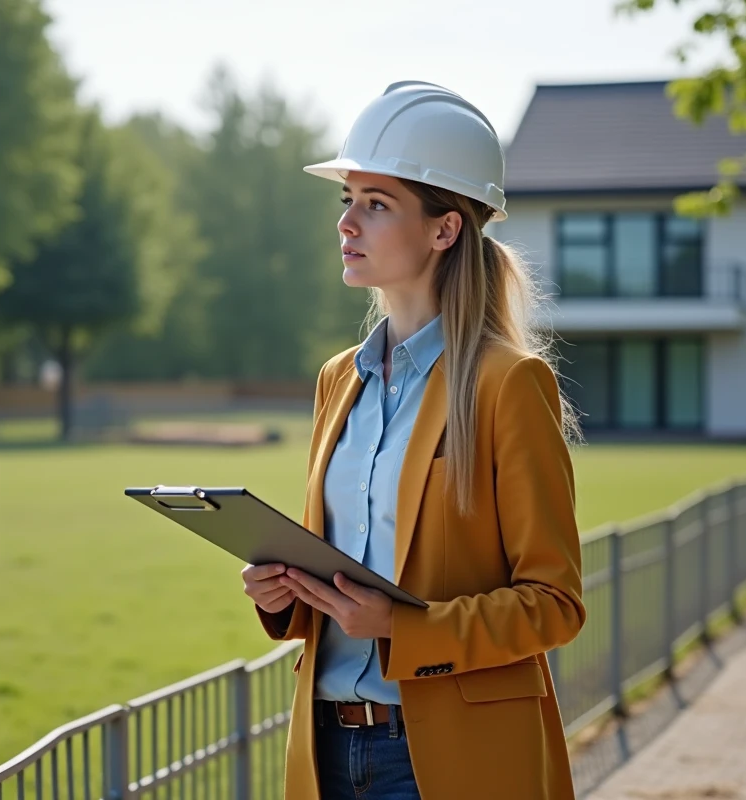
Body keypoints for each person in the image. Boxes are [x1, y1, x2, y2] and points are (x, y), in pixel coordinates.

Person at [241, 81, 586, 800]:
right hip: (326, 747)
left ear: (443, 229)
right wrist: (285, 595)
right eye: (347, 201)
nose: (347, 224)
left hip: (450, 760)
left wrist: (405, 627)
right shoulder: (339, 380)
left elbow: (554, 603)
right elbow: (343, 583)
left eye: (376, 204)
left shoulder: (508, 384)